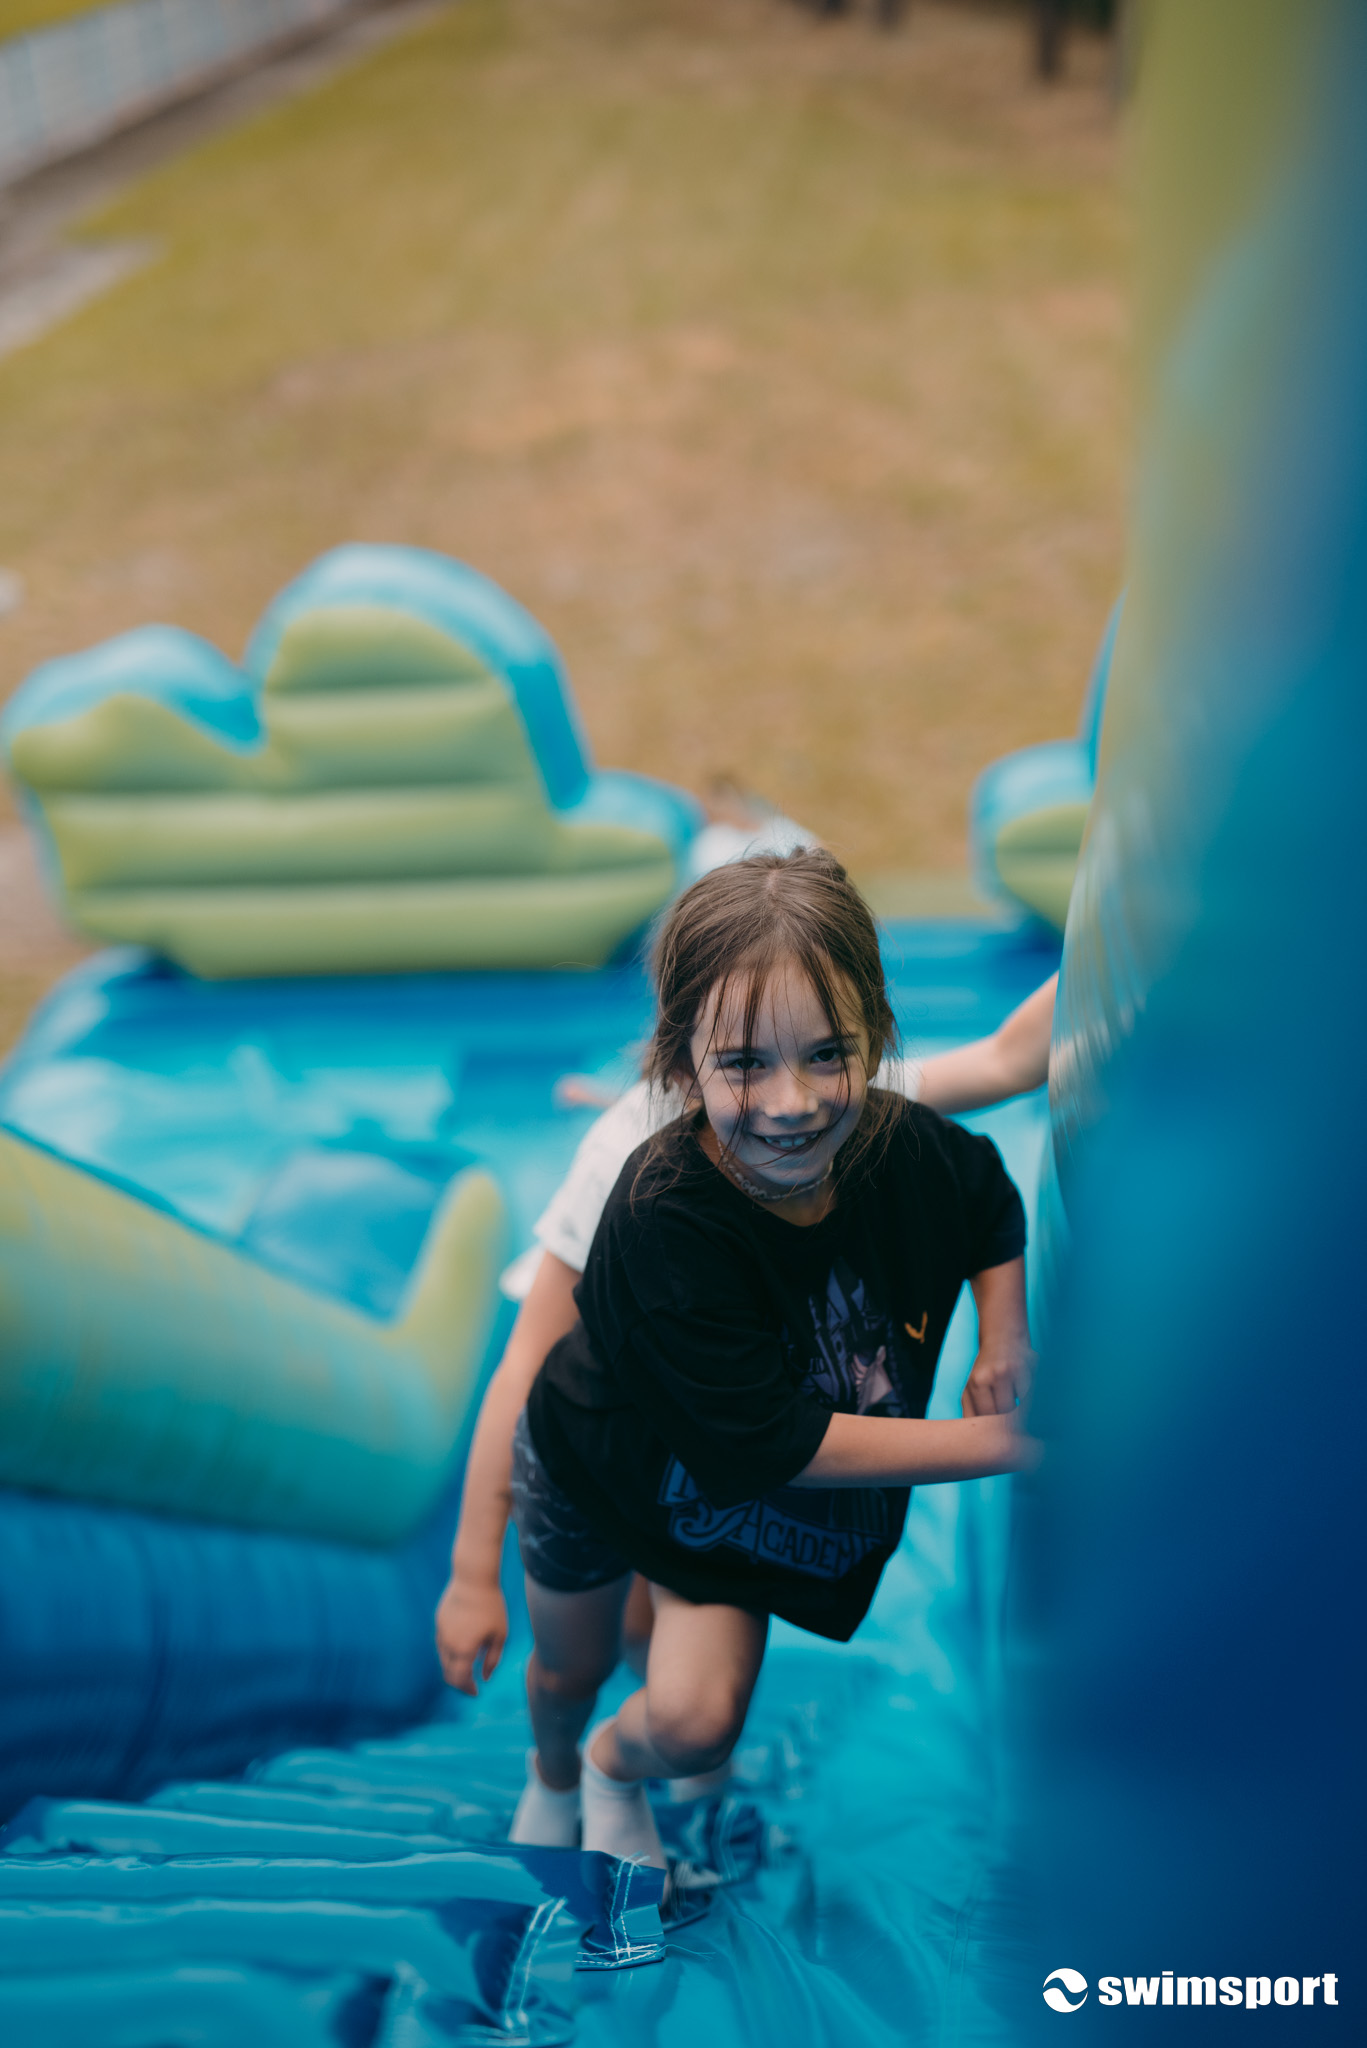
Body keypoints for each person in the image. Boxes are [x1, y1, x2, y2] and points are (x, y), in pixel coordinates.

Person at [436, 850, 1039, 1863]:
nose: (791, 1101)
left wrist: (1004, 1334)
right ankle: (557, 1766)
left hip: (710, 1465)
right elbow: (545, 1366)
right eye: (745, 1064)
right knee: (573, 1663)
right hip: (597, 1454)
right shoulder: (647, 1191)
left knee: (684, 1697)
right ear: (681, 1064)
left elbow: (986, 1177)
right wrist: (469, 1570)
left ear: (873, 1036)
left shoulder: (869, 1126)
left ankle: (636, 1751)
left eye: (826, 1055)